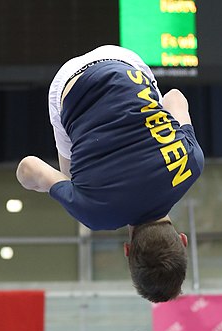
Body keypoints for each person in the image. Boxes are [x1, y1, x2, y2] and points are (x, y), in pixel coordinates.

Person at [16, 45, 204, 303]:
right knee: (70, 177)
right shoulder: (94, 213)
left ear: (182, 240)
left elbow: (174, 97)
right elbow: (29, 166)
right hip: (67, 84)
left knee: (159, 118)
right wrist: (42, 186)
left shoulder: (190, 165)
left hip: (126, 63)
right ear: (128, 250)